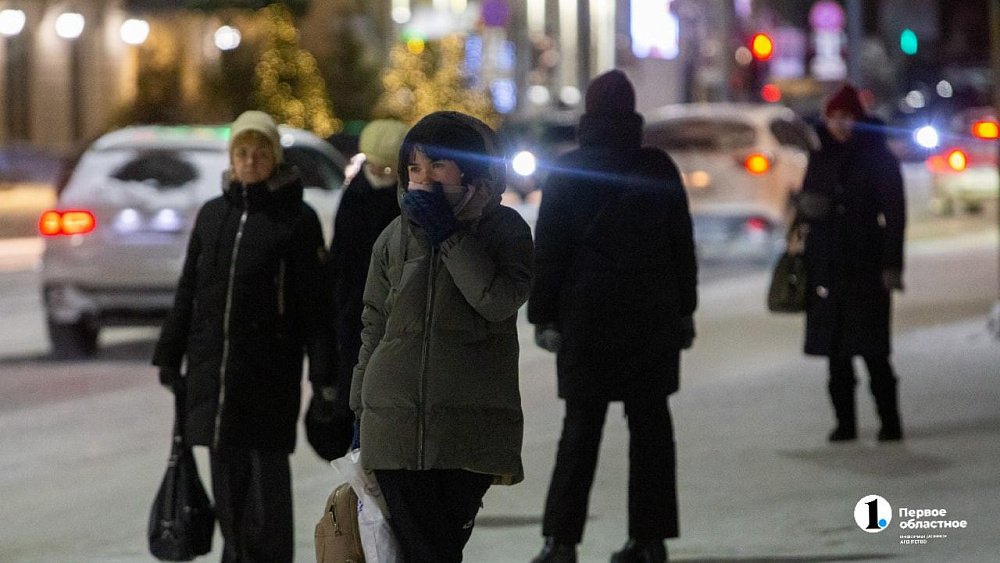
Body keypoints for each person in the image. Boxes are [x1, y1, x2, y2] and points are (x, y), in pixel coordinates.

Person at [528, 69, 698, 563]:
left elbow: (550, 250)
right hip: (652, 317)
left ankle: (560, 543)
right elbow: (680, 246)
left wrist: (544, 316)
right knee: (651, 431)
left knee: (579, 432)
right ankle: (650, 541)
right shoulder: (658, 167)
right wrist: (685, 308)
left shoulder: (567, 170)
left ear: (589, 113)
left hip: (587, 319)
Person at [349, 110, 534, 562]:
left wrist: (449, 236)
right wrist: (359, 410)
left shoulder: (504, 230)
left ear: (470, 169)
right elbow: (373, 323)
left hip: (464, 430)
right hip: (393, 422)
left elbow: (497, 300)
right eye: (414, 168)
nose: (424, 178)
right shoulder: (394, 237)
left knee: (438, 550)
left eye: (437, 166)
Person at [153, 110, 337, 562]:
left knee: (265, 487)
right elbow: (190, 288)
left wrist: (325, 372)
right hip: (214, 373)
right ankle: (235, 555)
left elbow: (315, 305)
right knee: (227, 484)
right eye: (242, 152)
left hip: (268, 372)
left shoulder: (297, 219)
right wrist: (169, 351)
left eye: (260, 153)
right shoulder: (214, 215)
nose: (250, 161)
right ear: (231, 157)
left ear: (274, 157)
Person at [797, 83, 906, 443]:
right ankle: (845, 423)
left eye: (849, 118)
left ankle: (889, 421)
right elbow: (808, 198)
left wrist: (892, 265)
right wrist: (809, 209)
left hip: (866, 262)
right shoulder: (820, 153)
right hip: (827, 261)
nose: (842, 125)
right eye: (836, 117)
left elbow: (895, 213)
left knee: (874, 350)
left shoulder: (877, 156)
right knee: (835, 352)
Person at [327, 118, 408, 448]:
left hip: (398, 320)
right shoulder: (354, 197)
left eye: (389, 169)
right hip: (355, 318)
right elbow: (340, 261)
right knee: (358, 407)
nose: (382, 174)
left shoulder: (407, 202)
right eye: (377, 166)